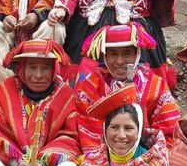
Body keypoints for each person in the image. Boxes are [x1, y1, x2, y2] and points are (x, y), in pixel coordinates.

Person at [73, 23, 179, 156]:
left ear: (137, 54)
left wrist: (148, 157)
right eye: (113, 54)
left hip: (146, 157)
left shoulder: (155, 85)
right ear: (105, 56)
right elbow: (88, 132)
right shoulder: (91, 87)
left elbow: (168, 130)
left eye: (127, 53)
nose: (119, 61)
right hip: (101, 158)